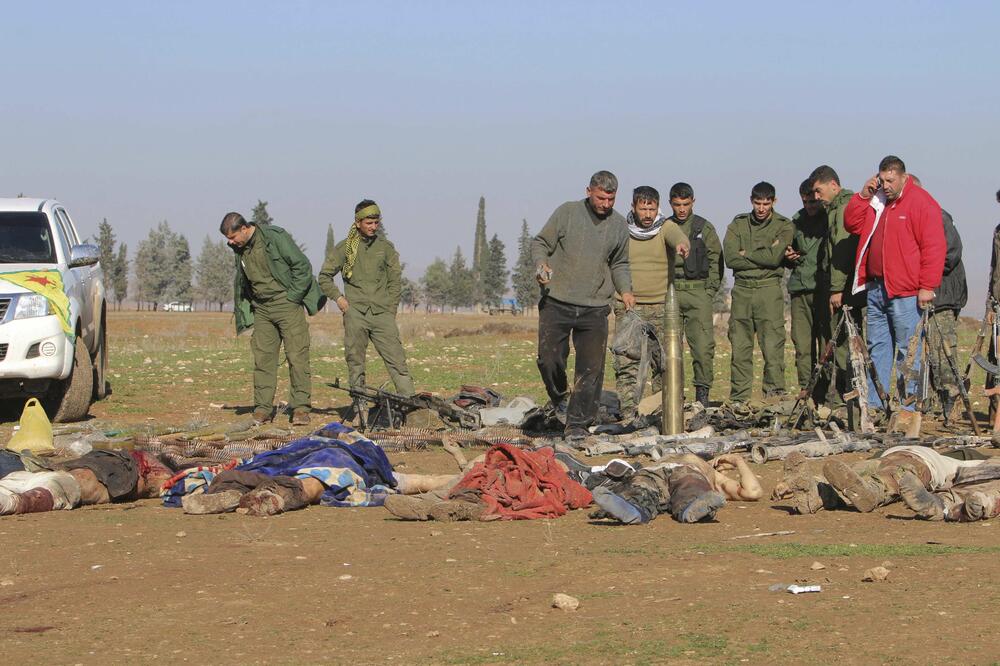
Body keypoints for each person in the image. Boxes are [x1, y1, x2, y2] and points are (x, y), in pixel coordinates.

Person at [844, 156, 946, 435]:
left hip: (906, 290)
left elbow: (934, 246)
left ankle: (908, 408)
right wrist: (863, 195)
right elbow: (852, 224)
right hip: (876, 287)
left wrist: (927, 286)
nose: (885, 185)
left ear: (903, 177)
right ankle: (875, 406)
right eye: (882, 180)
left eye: (890, 180)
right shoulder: (877, 202)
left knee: (908, 350)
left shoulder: (921, 202)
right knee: (878, 347)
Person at [532, 171, 634, 439]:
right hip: (557, 301)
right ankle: (560, 398)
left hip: (595, 306)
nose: (606, 204)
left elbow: (620, 263)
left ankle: (577, 424)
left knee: (591, 368)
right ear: (589, 191)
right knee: (549, 359)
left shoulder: (619, 225)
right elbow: (541, 242)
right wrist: (541, 264)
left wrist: (625, 290)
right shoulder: (567, 212)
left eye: (611, 199)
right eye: (601, 198)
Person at [221, 212, 326, 425]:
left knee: (297, 357)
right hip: (262, 309)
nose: (230, 242)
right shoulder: (239, 249)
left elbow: (302, 267)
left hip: (286, 304)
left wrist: (293, 297)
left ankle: (300, 409)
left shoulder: (275, 237)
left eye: (232, 237)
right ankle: (263, 409)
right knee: (263, 359)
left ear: (244, 228)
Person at [318, 199, 415, 399]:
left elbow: (395, 282)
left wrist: (391, 310)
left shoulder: (386, 248)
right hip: (355, 314)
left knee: (397, 361)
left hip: (382, 315)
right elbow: (324, 277)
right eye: (369, 223)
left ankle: (411, 405)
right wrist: (339, 299)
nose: (373, 227)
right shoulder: (344, 249)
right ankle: (359, 407)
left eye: (376, 222)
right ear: (357, 222)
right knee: (355, 362)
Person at [612, 186, 690, 419]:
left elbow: (678, 237)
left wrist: (682, 246)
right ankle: (628, 413)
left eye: (651, 209)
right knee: (627, 362)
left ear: (658, 208)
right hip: (629, 307)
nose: (647, 214)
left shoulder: (665, 227)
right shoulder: (621, 228)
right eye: (643, 208)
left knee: (664, 363)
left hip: (661, 306)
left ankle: (662, 411)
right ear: (633, 207)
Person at [722, 182, 795, 404]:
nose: (761, 208)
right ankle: (739, 400)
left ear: (774, 202)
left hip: (769, 290)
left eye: (766, 203)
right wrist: (767, 253)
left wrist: (748, 253)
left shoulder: (784, 225)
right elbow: (731, 258)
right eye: (757, 203)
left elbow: (775, 260)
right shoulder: (738, 224)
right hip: (742, 290)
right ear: (751, 201)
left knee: (773, 348)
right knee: (740, 347)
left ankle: (773, 399)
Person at [773, 446, 1000, 515]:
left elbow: (980, 477)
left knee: (895, 474)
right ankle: (813, 492)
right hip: (885, 457)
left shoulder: (976, 459)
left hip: (923, 465)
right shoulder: (962, 451)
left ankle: (871, 495)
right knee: (854, 472)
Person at [908, 175, 967, 424]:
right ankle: (927, 404)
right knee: (925, 354)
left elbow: (950, 254)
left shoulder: (938, 216)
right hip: (926, 294)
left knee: (944, 353)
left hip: (941, 296)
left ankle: (951, 403)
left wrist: (921, 272)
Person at [667, 182, 724, 406]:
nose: (681, 209)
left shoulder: (704, 228)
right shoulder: (665, 226)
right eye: (677, 204)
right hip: (671, 292)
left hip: (698, 291)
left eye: (685, 204)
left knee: (702, 347)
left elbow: (716, 260)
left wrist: (709, 291)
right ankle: (673, 396)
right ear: (670, 203)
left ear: (693, 202)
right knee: (669, 349)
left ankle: (702, 397)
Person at [810, 165, 860, 416]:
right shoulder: (837, 208)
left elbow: (840, 251)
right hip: (850, 286)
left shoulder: (843, 208)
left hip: (846, 289)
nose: (816, 197)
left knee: (843, 344)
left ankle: (846, 401)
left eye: (818, 191)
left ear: (833, 185)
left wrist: (837, 289)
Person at [589, 453, 762, 524]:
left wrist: (739, 460)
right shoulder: (706, 470)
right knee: (642, 486)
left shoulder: (715, 478)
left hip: (685, 473)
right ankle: (631, 508)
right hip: (653, 472)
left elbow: (753, 492)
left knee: (690, 486)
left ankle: (694, 507)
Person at [785, 178, 830, 400]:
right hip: (800, 289)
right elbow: (785, 251)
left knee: (826, 346)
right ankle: (807, 390)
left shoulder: (831, 219)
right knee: (803, 346)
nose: (810, 206)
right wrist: (788, 256)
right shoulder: (795, 222)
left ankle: (828, 393)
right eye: (805, 202)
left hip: (823, 290)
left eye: (813, 201)